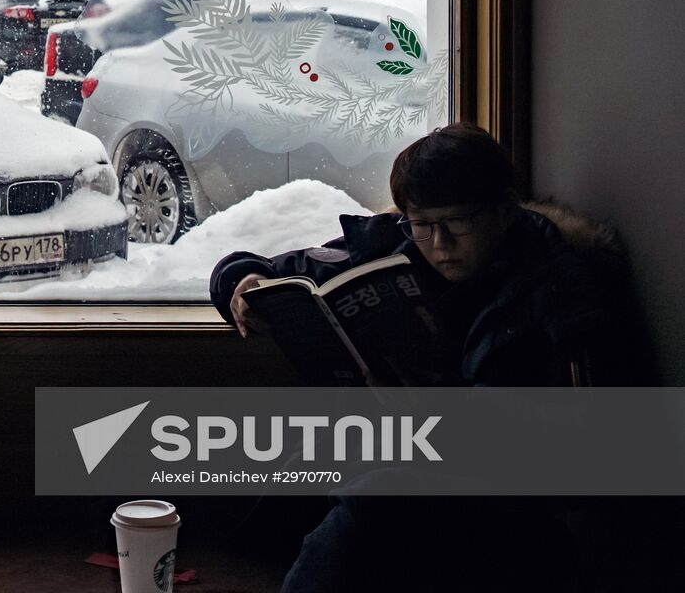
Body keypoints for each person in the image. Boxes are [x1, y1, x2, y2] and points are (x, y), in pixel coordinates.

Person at [211, 122, 653, 591]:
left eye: (458, 223)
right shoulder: (398, 243)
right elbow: (283, 269)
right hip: (393, 469)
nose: (440, 245)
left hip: (507, 503)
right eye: (423, 224)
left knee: (372, 503)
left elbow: (585, 442)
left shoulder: (559, 287)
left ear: (503, 210)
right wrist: (243, 282)